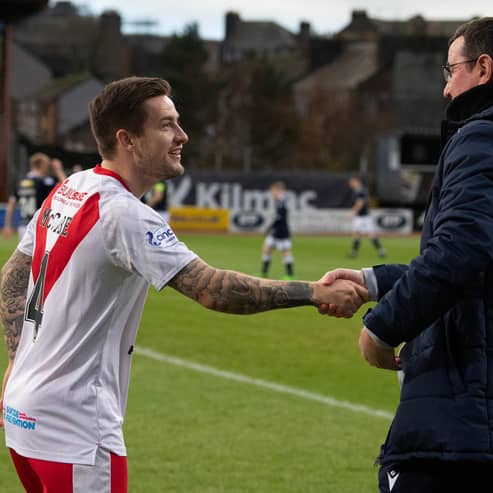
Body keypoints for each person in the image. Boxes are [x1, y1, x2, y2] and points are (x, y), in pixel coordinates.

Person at [0, 76, 368, 493]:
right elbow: (213, 288)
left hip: (26, 415)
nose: (182, 135)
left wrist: (19, 362)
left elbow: (12, 275)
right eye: (166, 124)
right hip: (76, 431)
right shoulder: (124, 215)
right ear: (128, 139)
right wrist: (313, 292)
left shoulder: (71, 188)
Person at [320, 17, 493, 493]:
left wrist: (381, 327)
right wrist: (376, 280)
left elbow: (461, 254)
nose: (447, 90)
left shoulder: (487, 136)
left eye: (450, 71)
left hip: (467, 407)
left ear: (484, 68)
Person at [2, 154, 66, 240]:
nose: (48, 168)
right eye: (47, 165)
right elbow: (66, 188)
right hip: (38, 225)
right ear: (41, 165)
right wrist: (59, 171)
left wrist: (7, 225)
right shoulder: (44, 182)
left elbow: (11, 204)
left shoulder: (21, 182)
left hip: (23, 225)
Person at [260, 181, 294, 280]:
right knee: (266, 249)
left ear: (278, 191)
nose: (272, 193)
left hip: (281, 232)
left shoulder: (282, 202)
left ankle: (290, 274)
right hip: (276, 231)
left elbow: (280, 218)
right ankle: (264, 272)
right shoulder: (279, 201)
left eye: (273, 191)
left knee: (285, 252)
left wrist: (270, 227)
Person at [348, 176, 385, 258]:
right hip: (364, 216)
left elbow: (360, 203)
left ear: (356, 181)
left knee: (365, 234)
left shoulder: (360, 190)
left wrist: (353, 212)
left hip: (363, 217)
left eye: (352, 182)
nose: (350, 184)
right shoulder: (360, 190)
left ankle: (381, 251)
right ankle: (380, 251)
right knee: (360, 234)